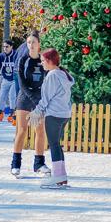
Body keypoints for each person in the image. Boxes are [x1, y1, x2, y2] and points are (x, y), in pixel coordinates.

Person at [28, 48, 74, 189]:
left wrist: (37, 111)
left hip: (54, 115)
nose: (42, 64)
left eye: (43, 61)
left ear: (49, 61)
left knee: (54, 145)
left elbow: (46, 98)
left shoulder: (52, 75)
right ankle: (61, 176)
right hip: (64, 114)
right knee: (56, 144)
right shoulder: (63, 74)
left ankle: (58, 176)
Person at [10, 31, 49, 178]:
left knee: (40, 131)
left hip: (39, 98)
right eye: (28, 42)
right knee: (22, 130)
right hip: (25, 97)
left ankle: (39, 163)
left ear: (39, 44)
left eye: (33, 42)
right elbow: (22, 84)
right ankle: (15, 164)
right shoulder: (22, 60)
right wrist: (33, 98)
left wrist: (41, 100)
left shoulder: (43, 60)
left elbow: (47, 79)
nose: (31, 45)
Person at [0, 40, 18, 122]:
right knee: (2, 96)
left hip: (14, 80)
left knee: (12, 95)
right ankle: (0, 113)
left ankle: (13, 113)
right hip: (5, 79)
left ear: (11, 47)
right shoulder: (1, 56)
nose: (5, 48)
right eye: (4, 47)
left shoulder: (16, 55)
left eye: (7, 47)